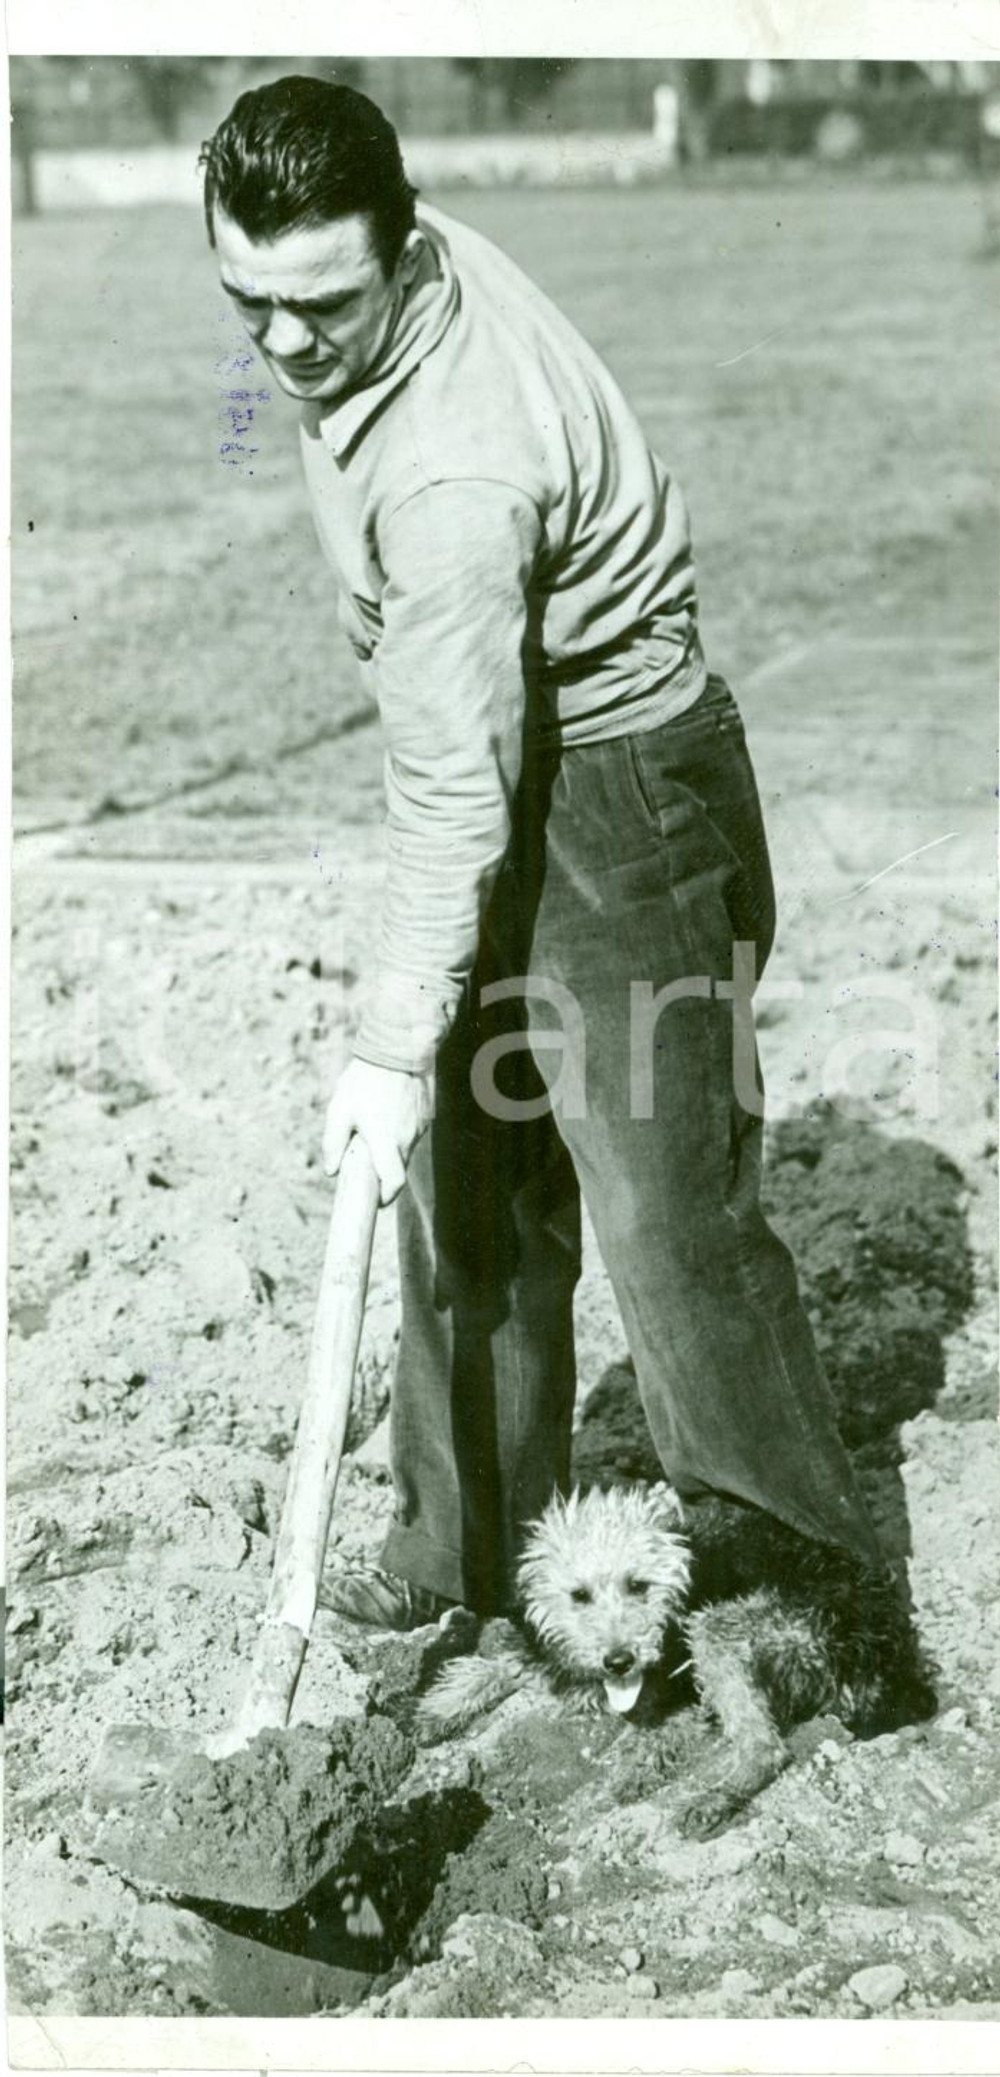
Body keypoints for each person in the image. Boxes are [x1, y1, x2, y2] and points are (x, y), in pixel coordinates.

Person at [200, 74, 888, 1629]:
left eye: (322, 304)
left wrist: (383, 1041)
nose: (285, 343)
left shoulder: (459, 475)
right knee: (472, 1175)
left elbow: (455, 785)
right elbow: (456, 739)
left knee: (664, 1205)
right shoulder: (380, 260)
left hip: (623, 790)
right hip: (510, 728)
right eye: (250, 299)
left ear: (410, 256)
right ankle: (473, 1545)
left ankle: (799, 1604)